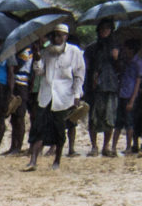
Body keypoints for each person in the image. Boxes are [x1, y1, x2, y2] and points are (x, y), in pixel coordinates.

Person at [26, 24, 84, 172]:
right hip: (46, 96)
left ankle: (57, 160)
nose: (57, 38)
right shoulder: (46, 52)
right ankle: (33, 161)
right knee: (38, 128)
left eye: (60, 35)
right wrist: (37, 56)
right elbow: (39, 72)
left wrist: (77, 95)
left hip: (63, 98)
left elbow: (79, 75)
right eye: (54, 35)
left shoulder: (74, 52)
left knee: (59, 131)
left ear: (65, 36)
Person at [85, 19, 121, 157]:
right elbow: (87, 67)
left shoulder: (116, 47)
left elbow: (121, 69)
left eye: (107, 29)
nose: (104, 31)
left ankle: (106, 146)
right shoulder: (92, 48)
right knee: (93, 117)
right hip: (95, 87)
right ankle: (94, 146)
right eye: (102, 29)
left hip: (111, 85)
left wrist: (116, 58)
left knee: (110, 117)